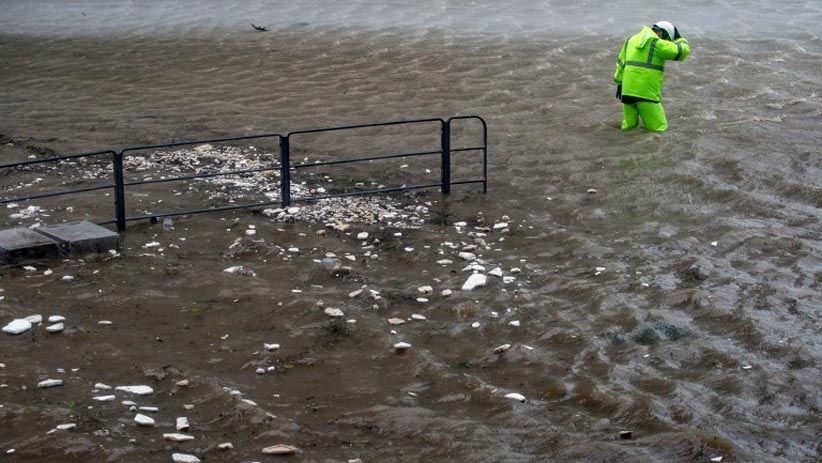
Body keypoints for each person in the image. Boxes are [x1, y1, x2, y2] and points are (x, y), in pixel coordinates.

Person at [614, 21, 691, 132]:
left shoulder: (630, 40)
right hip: (645, 93)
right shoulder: (656, 43)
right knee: (659, 129)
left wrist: (620, 83)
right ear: (663, 33)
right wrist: (680, 39)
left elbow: (621, 63)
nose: (666, 42)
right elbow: (681, 52)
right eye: (667, 39)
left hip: (626, 91)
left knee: (628, 127)